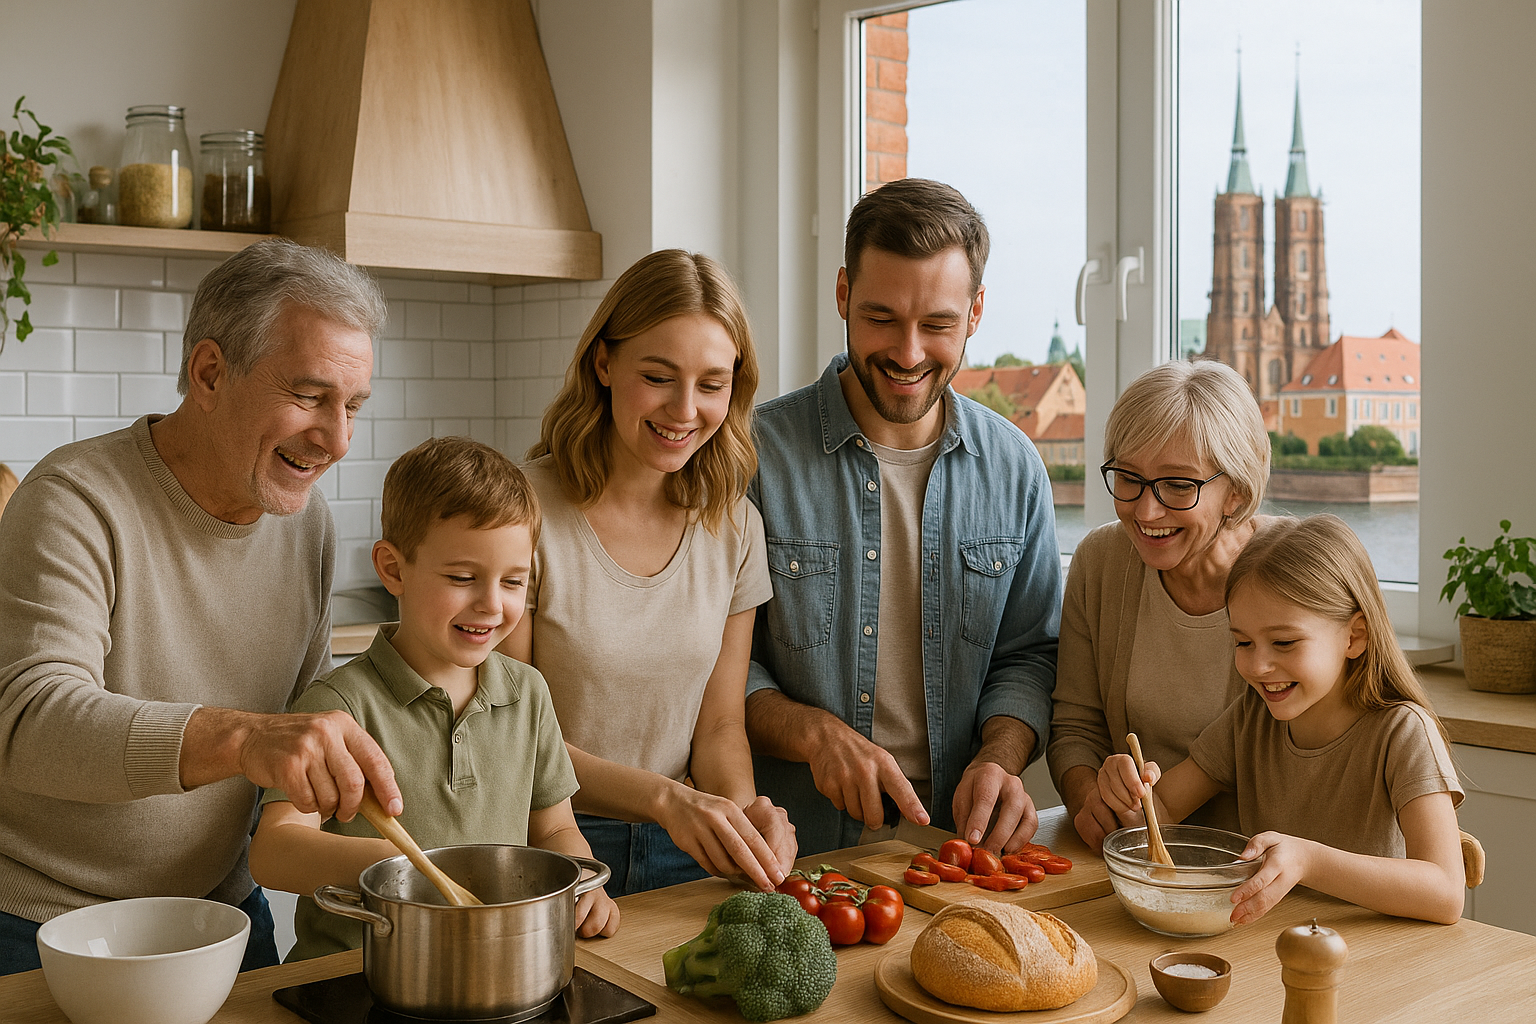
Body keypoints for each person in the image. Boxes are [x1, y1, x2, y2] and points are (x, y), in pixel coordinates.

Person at [0, 238, 403, 976]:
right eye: (310, 396)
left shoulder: (304, 523)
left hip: (220, 914)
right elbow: (30, 720)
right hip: (50, 924)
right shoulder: (76, 501)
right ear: (211, 373)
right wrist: (244, 738)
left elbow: (308, 717)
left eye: (353, 406)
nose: (337, 438)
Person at [746, 178, 1062, 856]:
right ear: (842, 296)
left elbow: (1029, 653)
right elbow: (713, 666)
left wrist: (1000, 755)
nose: (909, 353)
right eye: (881, 318)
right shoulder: (751, 457)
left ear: (976, 312)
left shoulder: (1015, 467)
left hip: (959, 843)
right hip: (796, 846)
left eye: (939, 325)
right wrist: (816, 734)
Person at [251, 436, 620, 960]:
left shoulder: (528, 694)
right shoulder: (338, 707)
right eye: (462, 578)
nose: (491, 605)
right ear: (394, 569)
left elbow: (555, 825)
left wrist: (583, 884)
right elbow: (273, 852)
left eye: (514, 581)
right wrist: (404, 869)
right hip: (348, 977)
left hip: (488, 967)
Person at [499, 249, 795, 895]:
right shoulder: (519, 511)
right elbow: (513, 732)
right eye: (658, 377)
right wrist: (667, 801)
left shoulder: (734, 524)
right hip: (550, 843)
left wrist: (744, 816)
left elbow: (719, 724)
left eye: (712, 385)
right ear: (604, 363)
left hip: (686, 843)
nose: (685, 410)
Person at [1097, 515, 1466, 926]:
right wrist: (1133, 795)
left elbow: (1446, 893)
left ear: (1354, 636)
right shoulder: (1251, 719)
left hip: (1371, 962)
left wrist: (1310, 861)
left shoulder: (1403, 732)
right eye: (1243, 642)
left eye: (1284, 642)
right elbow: (1163, 812)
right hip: (1270, 945)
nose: (1258, 665)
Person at [1047, 359, 1271, 849]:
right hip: (1142, 868)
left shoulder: (1298, 569)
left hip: (1271, 872)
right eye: (1129, 478)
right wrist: (1094, 801)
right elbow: (1075, 728)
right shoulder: (1101, 561)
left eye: (1178, 485)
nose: (1146, 511)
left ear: (1234, 491)